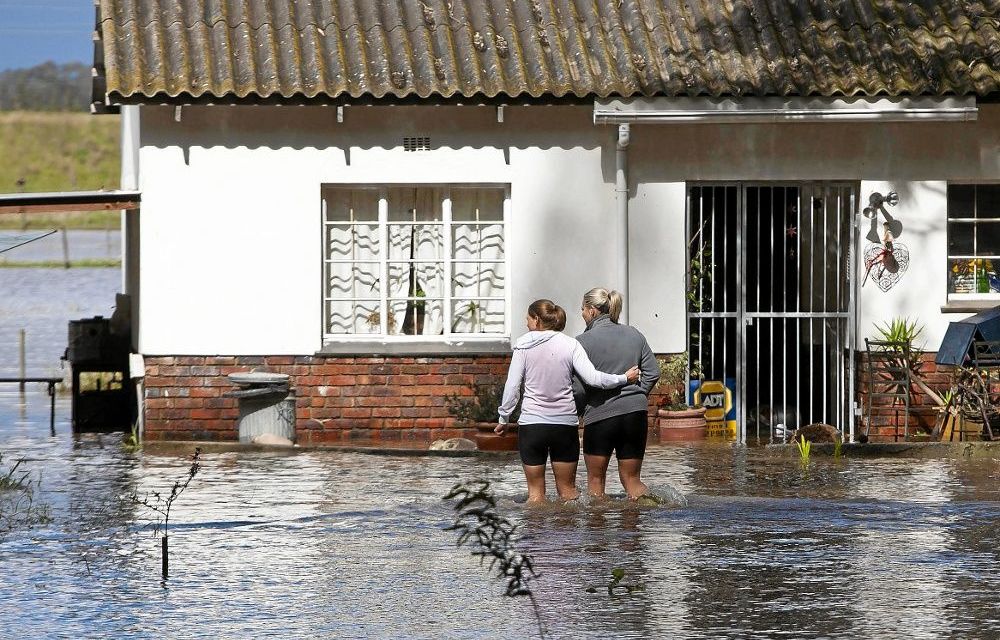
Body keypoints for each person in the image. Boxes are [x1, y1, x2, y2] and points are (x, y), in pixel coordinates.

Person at [496, 299, 640, 503]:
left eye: (527, 318)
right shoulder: (571, 344)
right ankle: (568, 535)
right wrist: (624, 378)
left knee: (535, 497)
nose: (525, 321)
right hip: (564, 426)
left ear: (537, 320)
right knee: (568, 494)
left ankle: (536, 535)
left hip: (532, 426)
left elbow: (512, 388)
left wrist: (504, 418)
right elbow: (594, 378)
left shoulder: (522, 346)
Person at [573, 288, 660, 500]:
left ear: (592, 311)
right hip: (635, 415)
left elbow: (578, 387)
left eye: (583, 309)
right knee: (632, 481)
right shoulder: (634, 334)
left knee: (595, 483)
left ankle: (597, 533)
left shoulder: (582, 342)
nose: (582, 314)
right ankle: (640, 525)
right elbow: (653, 372)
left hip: (600, 416)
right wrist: (638, 395)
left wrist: (580, 411)